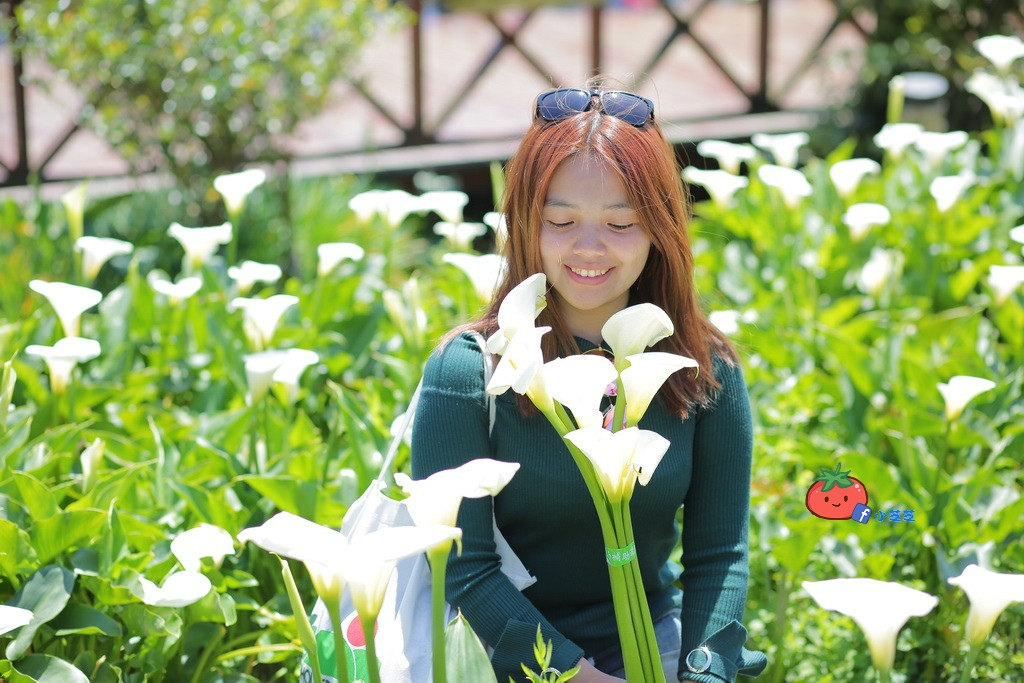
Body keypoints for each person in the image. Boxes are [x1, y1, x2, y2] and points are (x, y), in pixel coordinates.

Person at [411, 85, 767, 683]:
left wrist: (703, 673)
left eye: (621, 222)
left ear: (660, 228)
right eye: (561, 220)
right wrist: (580, 679)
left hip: (652, 652)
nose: (590, 248)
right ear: (525, 222)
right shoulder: (467, 373)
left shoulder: (702, 371)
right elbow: (462, 565)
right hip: (506, 662)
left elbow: (719, 557)